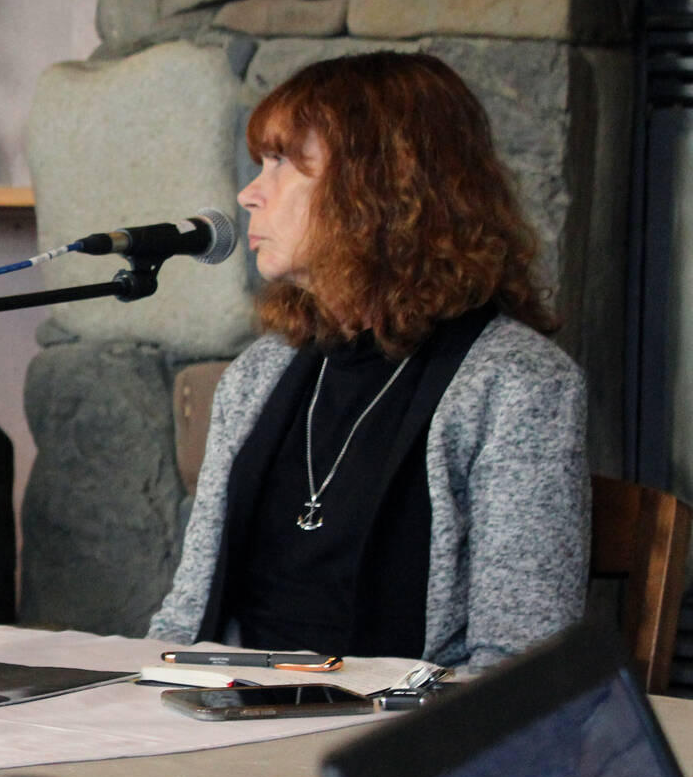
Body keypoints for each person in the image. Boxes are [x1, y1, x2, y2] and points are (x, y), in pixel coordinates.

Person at [145, 52, 587, 671]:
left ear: (377, 187)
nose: (249, 194)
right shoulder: (256, 376)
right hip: (224, 722)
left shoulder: (517, 384)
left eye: (281, 163)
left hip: (396, 746)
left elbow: (521, 664)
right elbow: (184, 621)